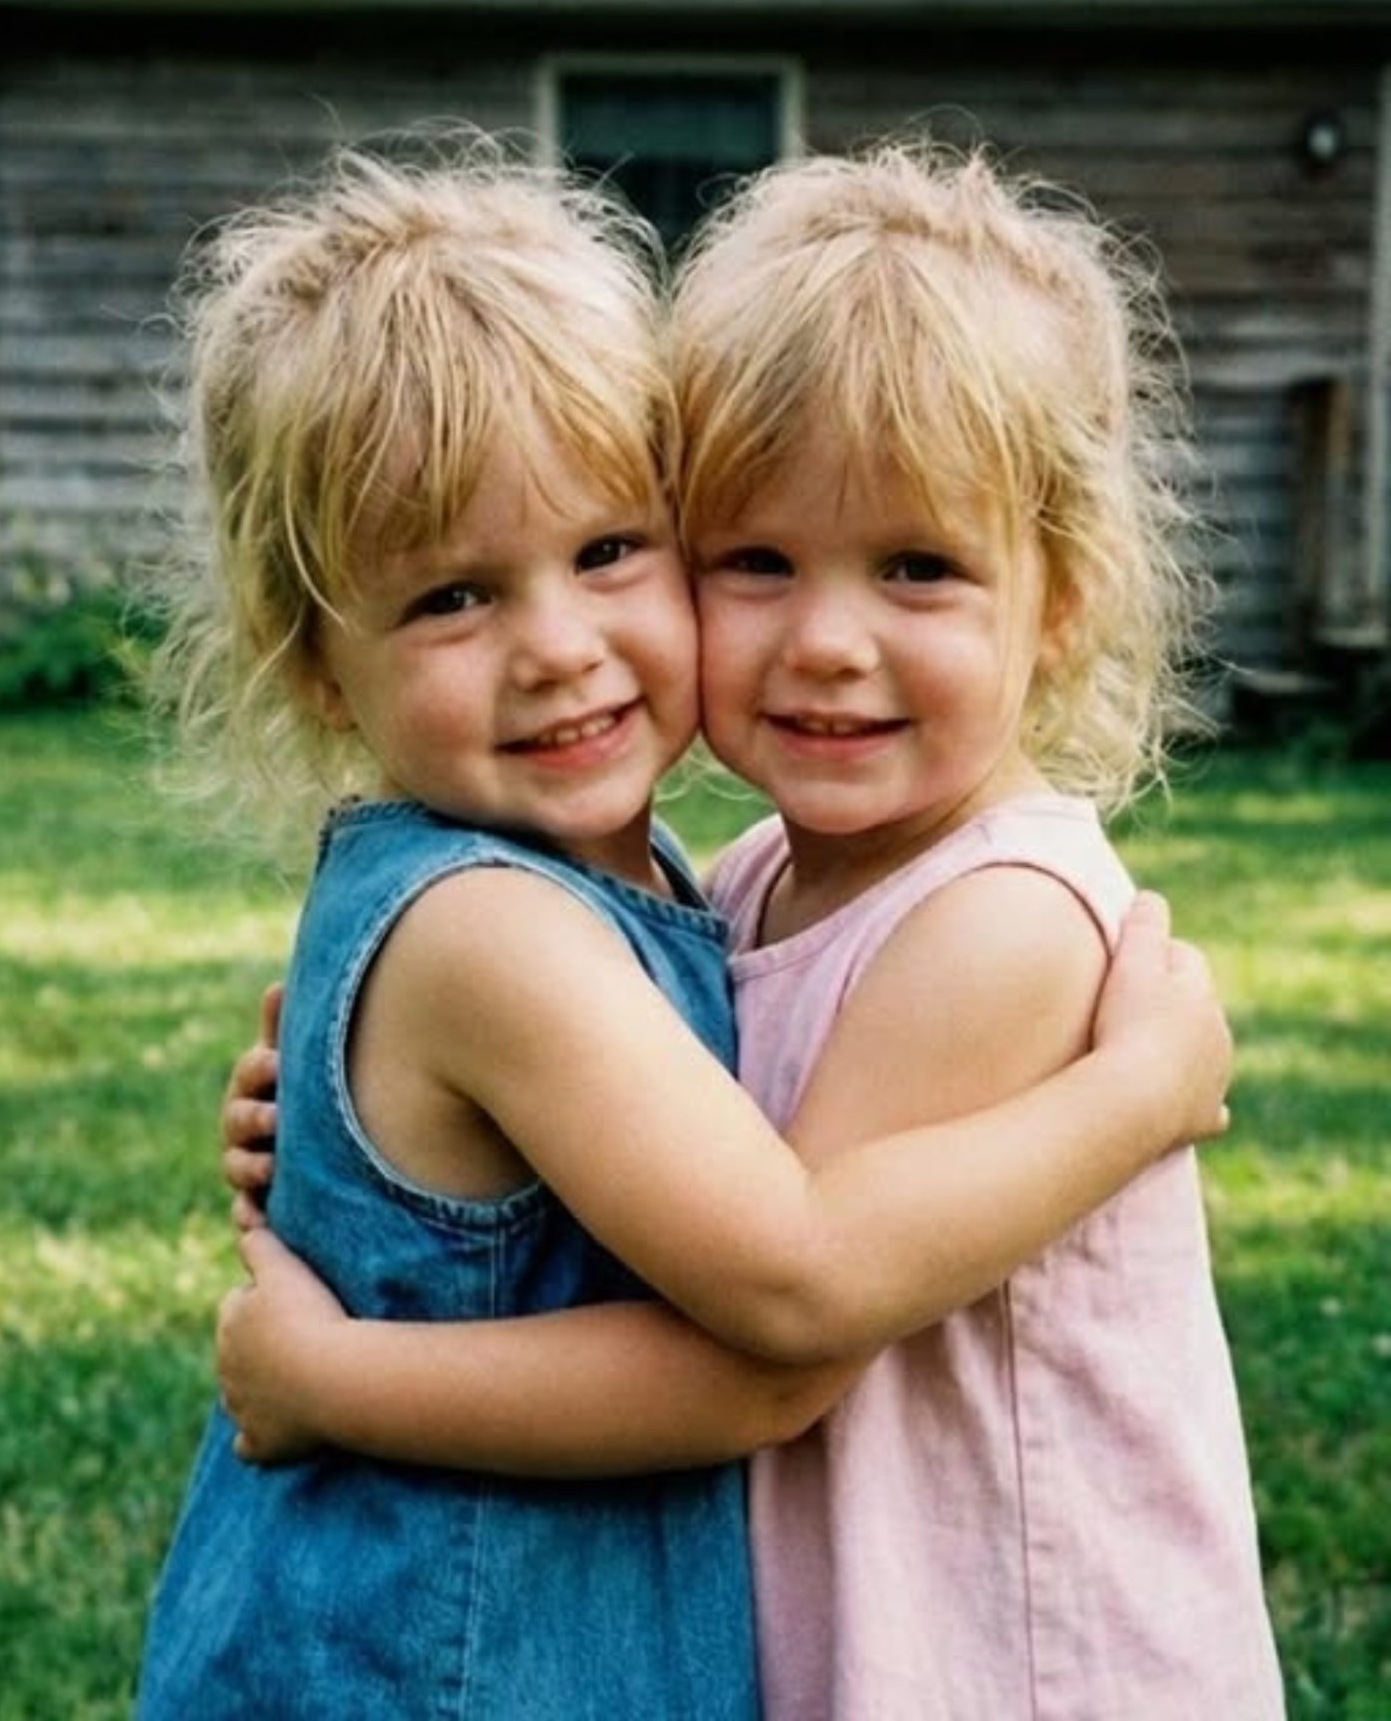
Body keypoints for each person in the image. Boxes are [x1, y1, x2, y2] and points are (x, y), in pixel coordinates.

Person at [146, 134, 1232, 1719]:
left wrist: (1147, 1093)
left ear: (1060, 594)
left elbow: (787, 1325)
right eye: (755, 560)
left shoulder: (995, 924)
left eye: (606, 552)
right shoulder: (688, 895)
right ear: (317, 660)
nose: (557, 648)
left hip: (1010, 1647)